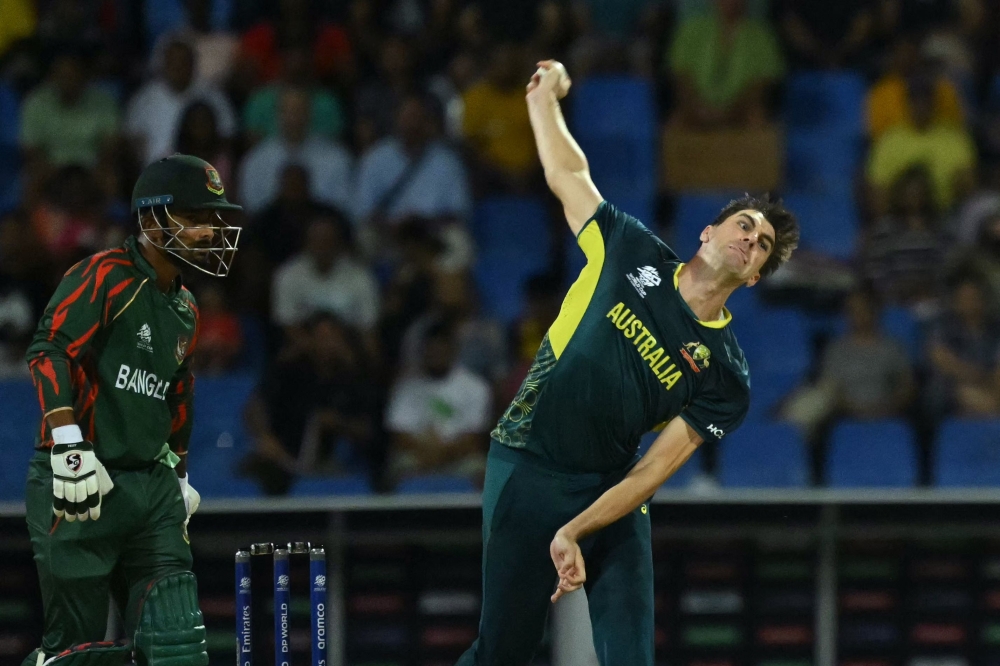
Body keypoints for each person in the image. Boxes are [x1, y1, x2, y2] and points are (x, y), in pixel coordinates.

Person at [454, 60, 799, 666]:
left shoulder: (725, 374)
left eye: (763, 245)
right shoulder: (629, 247)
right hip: (526, 461)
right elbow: (569, 174)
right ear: (706, 233)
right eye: (743, 225)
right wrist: (544, 100)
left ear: (752, 277)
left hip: (611, 488)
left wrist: (577, 529)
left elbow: (651, 473)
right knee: (499, 654)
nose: (751, 239)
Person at [20, 153, 243, 666]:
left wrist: (180, 475)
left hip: (151, 491)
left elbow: (177, 395)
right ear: (150, 220)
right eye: (196, 217)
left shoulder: (186, 308)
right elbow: (49, 350)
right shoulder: (103, 276)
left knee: (176, 645)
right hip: (82, 482)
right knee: (74, 651)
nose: (211, 232)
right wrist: (68, 443)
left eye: (214, 219)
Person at [386, 319, 493, 487]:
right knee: (395, 472)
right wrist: (427, 451)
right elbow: (398, 435)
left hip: (460, 457)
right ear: (423, 350)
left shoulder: (475, 386)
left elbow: (475, 438)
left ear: (453, 349)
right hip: (418, 455)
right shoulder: (406, 387)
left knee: (482, 472)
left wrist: (442, 453)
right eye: (431, 347)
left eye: (441, 346)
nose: (436, 352)